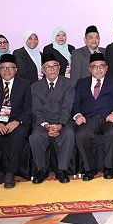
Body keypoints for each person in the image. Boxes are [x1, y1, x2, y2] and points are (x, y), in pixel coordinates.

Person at [0, 54, 32, 189]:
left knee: (19, 135)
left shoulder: (25, 85)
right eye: (3, 68)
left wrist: (17, 121)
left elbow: (28, 107)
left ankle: (10, 173)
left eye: (10, 67)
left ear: (16, 70)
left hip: (17, 122)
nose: (7, 70)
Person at [72, 53, 113, 180]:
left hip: (108, 118)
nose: (98, 69)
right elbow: (75, 103)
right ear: (89, 69)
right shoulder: (81, 83)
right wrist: (77, 115)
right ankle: (89, 169)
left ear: (106, 68)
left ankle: (108, 167)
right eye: (95, 66)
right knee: (81, 135)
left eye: (101, 66)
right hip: (89, 119)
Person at [29, 53, 76, 184]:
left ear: (59, 67)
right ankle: (41, 170)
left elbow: (67, 106)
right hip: (43, 123)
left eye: (54, 66)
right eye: (48, 67)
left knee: (69, 133)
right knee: (35, 136)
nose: (52, 69)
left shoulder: (68, 83)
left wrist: (60, 124)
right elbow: (36, 110)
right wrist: (46, 125)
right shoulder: (35, 86)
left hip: (63, 121)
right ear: (43, 70)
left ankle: (62, 170)